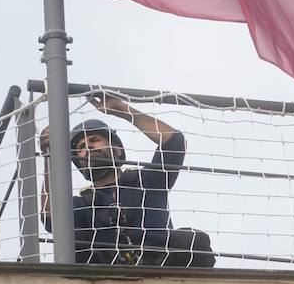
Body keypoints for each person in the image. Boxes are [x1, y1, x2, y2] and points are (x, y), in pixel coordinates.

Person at [39, 92, 211, 267]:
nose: (88, 147)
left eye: (94, 140)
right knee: (74, 239)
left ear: (117, 150)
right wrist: (50, 156)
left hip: (160, 264)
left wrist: (122, 109)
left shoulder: (147, 181)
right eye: (81, 148)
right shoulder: (84, 204)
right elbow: (50, 218)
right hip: (108, 272)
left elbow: (174, 142)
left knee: (194, 240)